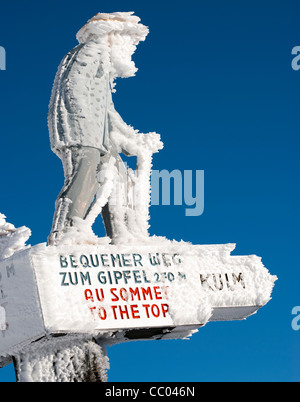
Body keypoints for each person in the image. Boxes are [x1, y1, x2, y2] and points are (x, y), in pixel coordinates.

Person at [47, 12, 161, 245]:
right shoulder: (91, 52)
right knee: (85, 175)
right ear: (111, 35)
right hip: (79, 131)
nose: (130, 46)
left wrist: (132, 139)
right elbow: (73, 89)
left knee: (121, 179)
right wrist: (84, 129)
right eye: (126, 39)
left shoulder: (105, 63)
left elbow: (108, 111)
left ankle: (124, 235)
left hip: (99, 137)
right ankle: (67, 232)